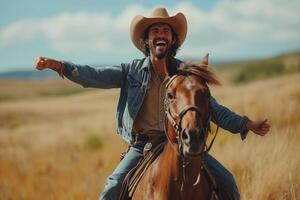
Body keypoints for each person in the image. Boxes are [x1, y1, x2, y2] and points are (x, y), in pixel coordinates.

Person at [35, 8, 270, 200]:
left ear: (172, 39)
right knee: (112, 189)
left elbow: (211, 107)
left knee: (228, 183)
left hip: (183, 142)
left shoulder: (184, 75)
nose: (160, 34)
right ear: (146, 40)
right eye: (155, 30)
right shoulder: (131, 71)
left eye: (165, 30)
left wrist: (245, 124)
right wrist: (60, 66)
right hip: (143, 146)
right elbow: (94, 75)